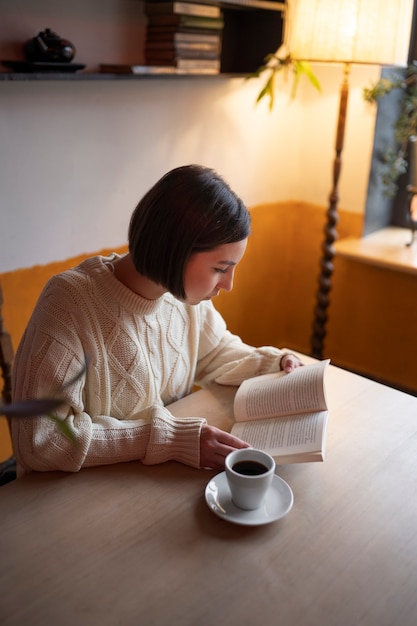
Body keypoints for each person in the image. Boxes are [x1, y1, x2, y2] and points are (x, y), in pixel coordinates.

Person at [11, 164, 303, 474]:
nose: (229, 285)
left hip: (146, 482)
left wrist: (273, 363)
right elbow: (40, 442)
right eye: (220, 269)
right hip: (69, 500)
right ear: (175, 251)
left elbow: (216, 352)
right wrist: (169, 438)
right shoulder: (69, 303)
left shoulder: (183, 298)